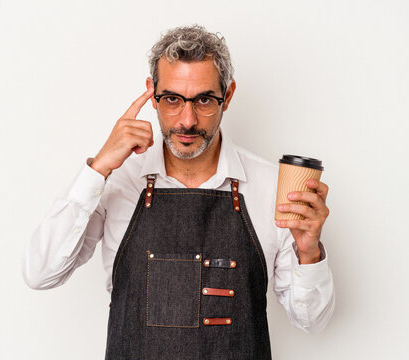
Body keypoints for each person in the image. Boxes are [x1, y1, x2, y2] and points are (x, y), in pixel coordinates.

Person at [23, 24, 335, 359]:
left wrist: (309, 251)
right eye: (172, 99)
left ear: (227, 96)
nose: (187, 120)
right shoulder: (116, 179)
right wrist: (97, 169)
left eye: (203, 100)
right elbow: (41, 274)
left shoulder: (272, 185)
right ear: (151, 93)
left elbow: (311, 321)